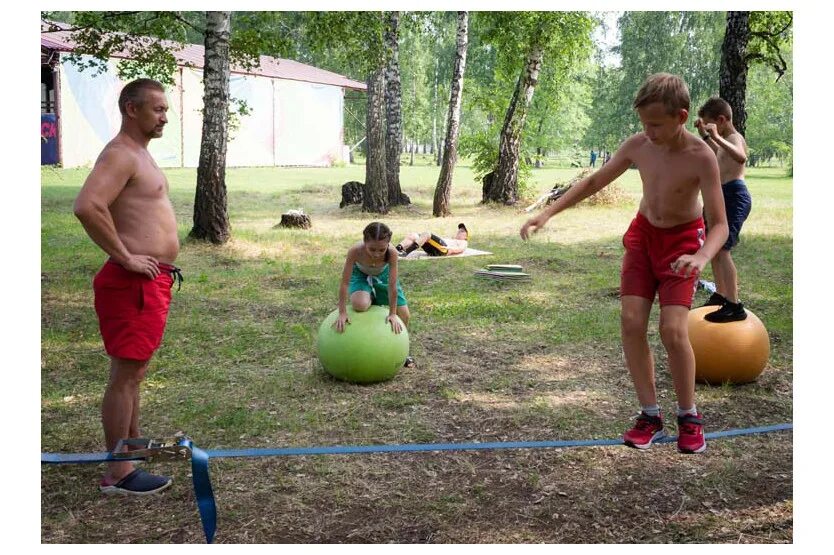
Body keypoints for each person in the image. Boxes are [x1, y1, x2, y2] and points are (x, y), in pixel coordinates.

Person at [520, 73, 729, 454]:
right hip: (643, 238)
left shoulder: (702, 157)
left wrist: (700, 257)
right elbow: (594, 181)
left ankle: (689, 415)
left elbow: (720, 225)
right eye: (643, 123)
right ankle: (650, 415)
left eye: (655, 124)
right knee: (632, 322)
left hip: (683, 244)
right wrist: (547, 214)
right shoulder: (638, 145)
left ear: (681, 117)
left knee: (673, 331)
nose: (647, 131)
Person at [73, 78, 182, 495]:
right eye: (156, 109)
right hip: (131, 281)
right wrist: (125, 256)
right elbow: (87, 205)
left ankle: (132, 450)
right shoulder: (121, 154)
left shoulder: (140, 155)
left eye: (166, 110)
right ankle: (119, 473)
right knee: (126, 375)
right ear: (130, 109)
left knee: (135, 373)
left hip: (150, 282)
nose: (164, 117)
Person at [694, 96, 751, 323]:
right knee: (715, 247)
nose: (710, 128)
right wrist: (705, 135)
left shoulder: (735, 137)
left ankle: (734, 304)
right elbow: (715, 154)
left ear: (722, 120)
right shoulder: (722, 140)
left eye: (711, 123)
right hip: (721, 195)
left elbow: (740, 156)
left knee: (723, 249)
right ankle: (721, 294)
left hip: (735, 195)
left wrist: (715, 136)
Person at [335, 222, 415, 368]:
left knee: (404, 315)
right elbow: (344, 283)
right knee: (360, 305)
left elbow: (392, 286)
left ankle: (403, 352)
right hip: (360, 275)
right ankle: (369, 293)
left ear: (388, 244)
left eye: (381, 250)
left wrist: (392, 313)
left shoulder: (392, 253)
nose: (377, 253)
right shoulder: (355, 251)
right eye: (372, 249)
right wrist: (342, 312)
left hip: (383, 276)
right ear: (364, 241)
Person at [395, 223, 469, 257]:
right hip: (435, 249)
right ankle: (397, 249)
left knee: (427, 234)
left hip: (443, 250)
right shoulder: (452, 239)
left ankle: (406, 252)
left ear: (466, 237)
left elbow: (460, 249)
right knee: (413, 235)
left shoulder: (463, 242)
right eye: (459, 230)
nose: (459, 231)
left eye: (462, 231)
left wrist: (450, 249)